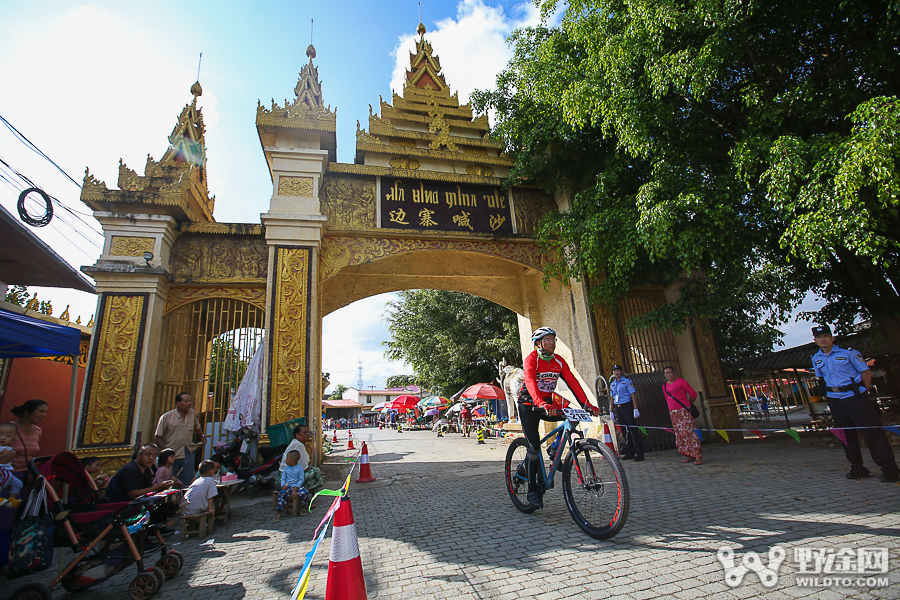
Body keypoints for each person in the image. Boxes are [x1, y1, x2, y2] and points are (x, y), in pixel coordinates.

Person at [519, 327, 599, 509]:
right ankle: (532, 490)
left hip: (549, 402)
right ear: (538, 343)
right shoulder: (532, 359)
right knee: (533, 447)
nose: (552, 343)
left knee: (573, 416)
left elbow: (573, 383)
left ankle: (555, 449)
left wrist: (587, 404)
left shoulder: (559, 362)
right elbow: (530, 381)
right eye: (547, 339)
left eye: (553, 339)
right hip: (529, 404)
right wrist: (540, 402)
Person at [811, 325, 899, 482]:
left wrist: (862, 392)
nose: (823, 339)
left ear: (833, 338)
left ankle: (889, 469)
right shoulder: (816, 358)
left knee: (871, 432)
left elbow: (865, 372)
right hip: (835, 399)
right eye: (819, 337)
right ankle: (858, 468)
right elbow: (821, 379)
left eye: (826, 335)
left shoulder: (849, 354)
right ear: (815, 340)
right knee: (846, 435)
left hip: (854, 396)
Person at [154, 392, 206, 486]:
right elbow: (158, 436)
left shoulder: (192, 413)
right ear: (178, 403)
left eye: (190, 401)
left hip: (188, 450)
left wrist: (202, 436)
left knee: (189, 477)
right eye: (185, 401)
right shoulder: (166, 417)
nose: (189, 403)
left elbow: (197, 427)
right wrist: (165, 451)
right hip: (172, 451)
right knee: (170, 477)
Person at [663, 366, 703, 465]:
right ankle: (689, 454)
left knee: (690, 432)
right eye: (666, 373)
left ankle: (698, 455)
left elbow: (693, 394)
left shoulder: (681, 382)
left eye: (670, 372)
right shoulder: (665, 386)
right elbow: (666, 397)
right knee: (680, 433)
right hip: (673, 412)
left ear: (674, 372)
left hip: (684, 410)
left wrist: (688, 404)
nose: (669, 375)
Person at [105, 444, 174, 502]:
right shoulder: (131, 469)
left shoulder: (146, 469)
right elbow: (133, 494)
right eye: (148, 454)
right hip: (119, 504)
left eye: (155, 455)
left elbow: (148, 487)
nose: (151, 458)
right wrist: (159, 486)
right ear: (138, 456)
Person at [609, 365, 644, 462]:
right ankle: (630, 451)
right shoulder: (613, 384)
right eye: (614, 371)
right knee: (624, 430)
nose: (616, 373)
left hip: (627, 406)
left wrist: (635, 409)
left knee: (633, 429)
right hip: (618, 407)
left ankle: (640, 453)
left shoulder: (627, 382)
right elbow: (612, 397)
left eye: (617, 370)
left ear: (621, 371)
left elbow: (633, 395)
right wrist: (611, 410)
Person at [274, 450, 310, 522]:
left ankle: (303, 507)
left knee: (305, 492)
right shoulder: (286, 469)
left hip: (297, 487)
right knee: (281, 494)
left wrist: (295, 489)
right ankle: (279, 512)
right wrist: (283, 485)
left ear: (292, 461)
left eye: (287, 459)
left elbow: (301, 479)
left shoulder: (299, 468)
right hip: (288, 487)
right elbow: (283, 478)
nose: (285, 460)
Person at [0, 423, 23, 501]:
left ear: (13, 439)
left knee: (18, 483)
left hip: (6, 471)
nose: (2, 438)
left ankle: (11, 500)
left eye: (7, 436)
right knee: (7, 476)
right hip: (2, 471)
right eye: (0, 435)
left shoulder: (9, 449)